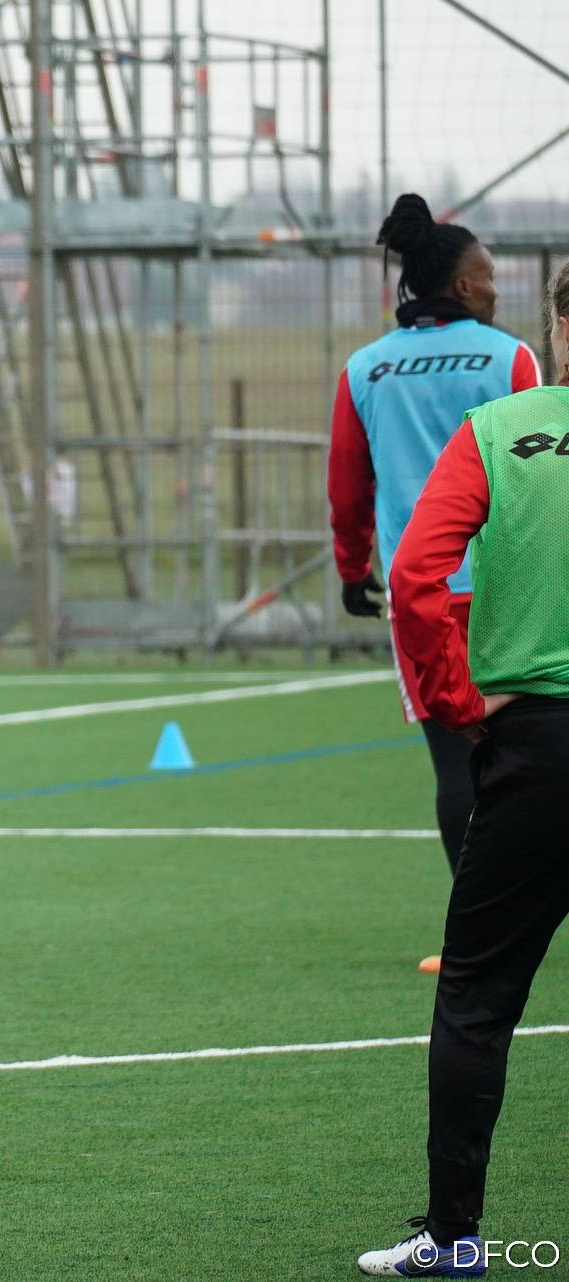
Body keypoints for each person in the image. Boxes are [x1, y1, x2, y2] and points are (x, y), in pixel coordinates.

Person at [355, 261, 569, 1278]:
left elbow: (413, 574)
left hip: (537, 749)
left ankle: (454, 1238)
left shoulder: (498, 432)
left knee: (478, 996)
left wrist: (455, 702)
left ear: (561, 328)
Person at [328, 193, 538, 970]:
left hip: (422, 594)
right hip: (515, 588)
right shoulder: (511, 359)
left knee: (456, 767)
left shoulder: (365, 369)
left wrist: (353, 567)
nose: (495, 288)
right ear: (460, 284)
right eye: (488, 276)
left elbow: (347, 483)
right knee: (539, 748)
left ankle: (474, 938)